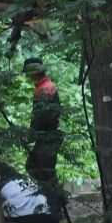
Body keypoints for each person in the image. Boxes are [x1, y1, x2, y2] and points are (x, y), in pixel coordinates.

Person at [22, 57, 64, 213]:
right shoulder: (45, 86)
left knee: (43, 171)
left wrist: (33, 132)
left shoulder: (44, 90)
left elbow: (42, 115)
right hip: (47, 136)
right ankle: (55, 203)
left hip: (48, 137)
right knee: (39, 169)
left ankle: (56, 208)